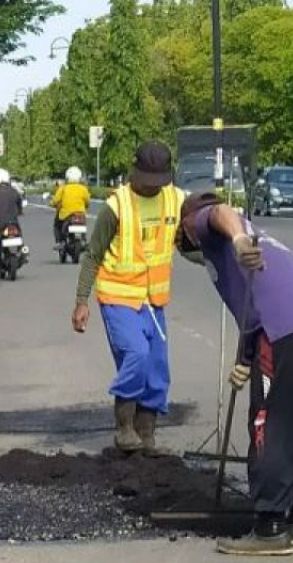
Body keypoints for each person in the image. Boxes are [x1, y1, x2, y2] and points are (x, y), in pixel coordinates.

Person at [177, 193, 293, 556]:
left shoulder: (210, 224)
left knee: (271, 423)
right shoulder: (265, 240)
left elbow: (219, 212)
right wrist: (246, 357)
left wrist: (236, 239)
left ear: (188, 226)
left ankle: (269, 526)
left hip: (283, 332)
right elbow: (257, 307)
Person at [71, 141, 186, 454]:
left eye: (158, 181)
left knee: (157, 368)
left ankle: (146, 436)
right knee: (136, 354)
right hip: (118, 296)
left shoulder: (175, 200)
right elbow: (93, 255)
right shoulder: (117, 205)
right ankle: (124, 427)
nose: (152, 187)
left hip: (154, 301)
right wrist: (81, 301)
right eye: (147, 180)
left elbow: (187, 243)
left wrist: (223, 257)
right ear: (135, 172)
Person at [51, 166, 92, 247]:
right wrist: (86, 207)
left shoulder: (63, 188)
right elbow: (87, 201)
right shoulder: (83, 189)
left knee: (56, 224)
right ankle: (83, 240)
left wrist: (52, 203)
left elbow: (55, 201)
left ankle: (59, 242)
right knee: (83, 224)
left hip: (66, 215)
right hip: (80, 214)